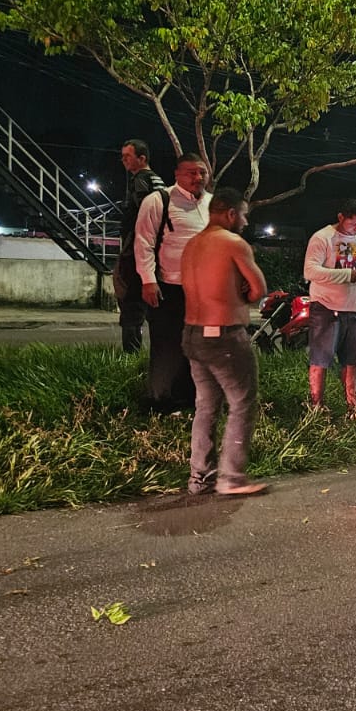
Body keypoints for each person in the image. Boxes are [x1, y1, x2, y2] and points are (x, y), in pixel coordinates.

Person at [179, 187, 268, 496]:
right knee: (242, 402)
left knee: (205, 406)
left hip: (192, 334)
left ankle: (199, 479)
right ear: (231, 214)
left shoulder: (192, 245)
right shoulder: (233, 243)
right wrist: (240, 293)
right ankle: (231, 478)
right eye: (242, 215)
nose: (244, 221)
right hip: (224, 337)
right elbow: (258, 289)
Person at [134, 152, 212, 411]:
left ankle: (191, 401)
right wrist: (147, 280)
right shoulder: (159, 201)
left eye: (201, 172)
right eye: (191, 172)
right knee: (168, 347)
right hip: (169, 287)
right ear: (177, 174)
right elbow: (143, 243)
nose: (197, 177)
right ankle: (161, 402)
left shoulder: (214, 204)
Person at [304, 198, 356, 415]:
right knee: (321, 359)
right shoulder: (322, 238)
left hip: (355, 309)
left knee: (354, 359)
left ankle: (353, 406)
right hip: (326, 307)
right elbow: (310, 271)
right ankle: (316, 406)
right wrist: (346, 274)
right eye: (353, 224)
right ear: (341, 218)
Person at [113, 139, 164, 353]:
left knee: (130, 304)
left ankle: (131, 357)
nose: (123, 160)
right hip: (154, 251)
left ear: (142, 158)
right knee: (152, 309)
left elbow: (144, 217)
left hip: (137, 252)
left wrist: (131, 246)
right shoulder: (158, 181)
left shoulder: (141, 180)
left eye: (128, 156)